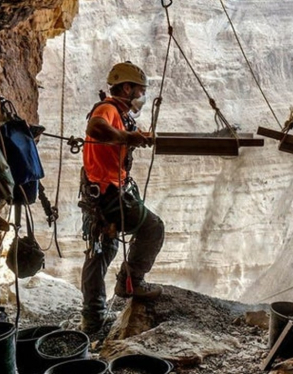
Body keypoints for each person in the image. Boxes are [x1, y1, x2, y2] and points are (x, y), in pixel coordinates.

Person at [79, 61, 165, 334]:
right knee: (153, 228)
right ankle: (132, 280)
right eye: (139, 91)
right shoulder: (107, 109)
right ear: (126, 88)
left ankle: (92, 318)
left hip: (101, 193)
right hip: (107, 195)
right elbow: (96, 128)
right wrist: (129, 137)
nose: (140, 97)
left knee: (102, 251)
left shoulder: (120, 113)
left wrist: (133, 137)